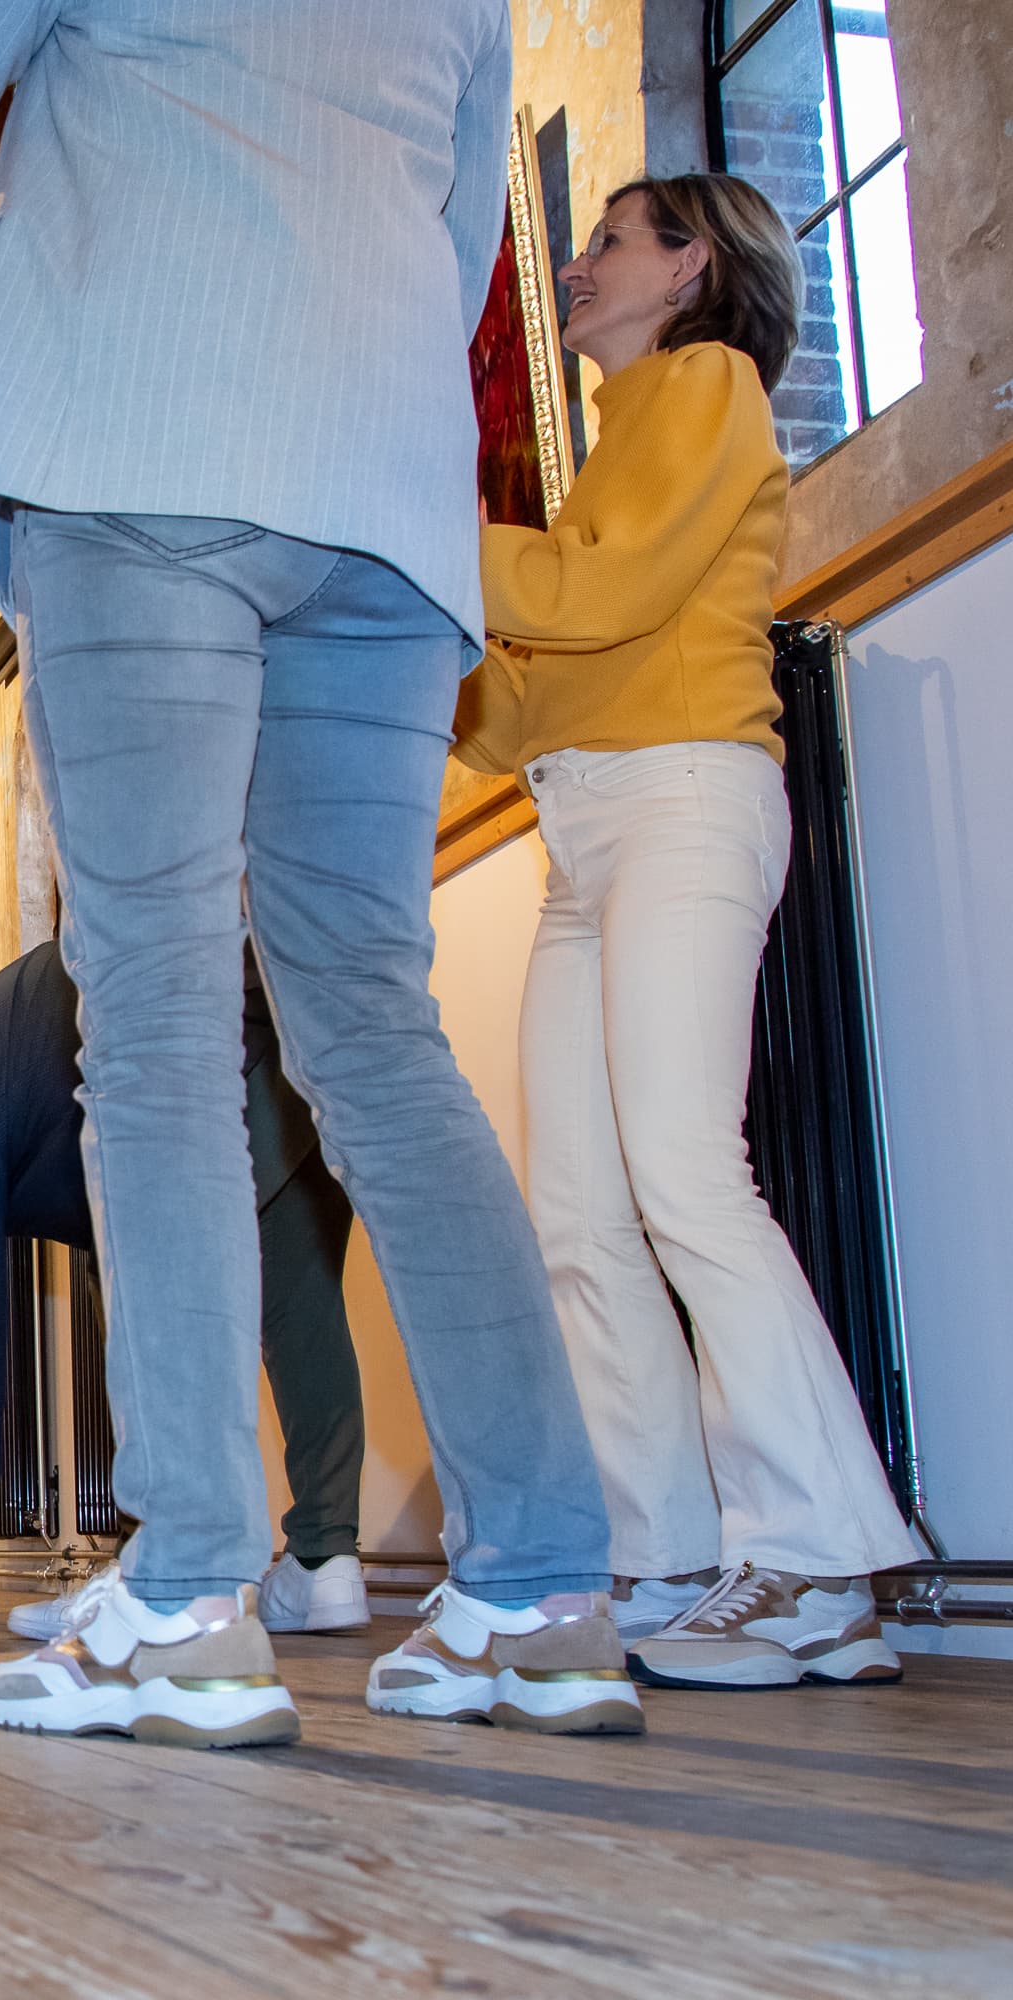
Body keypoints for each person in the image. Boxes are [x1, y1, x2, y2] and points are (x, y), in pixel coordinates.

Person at [0, 0, 636, 1746]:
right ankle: (546, 1586)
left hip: (151, 455)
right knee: (376, 1039)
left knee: (163, 1028)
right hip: (388, 508)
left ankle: (190, 1586)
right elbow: (465, 252)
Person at [456, 174, 915, 1692]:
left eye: (606, 241)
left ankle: (816, 1559)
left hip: (687, 799)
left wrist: (435, 533)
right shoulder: (609, 454)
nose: (579, 266)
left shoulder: (707, 385)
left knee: (682, 1175)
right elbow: (521, 705)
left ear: (690, 265)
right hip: (585, 828)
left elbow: (611, 596)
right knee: (581, 1210)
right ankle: (664, 1550)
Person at [0, 943, 372, 1639]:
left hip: (197, 1087)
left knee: (146, 1325)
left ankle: (153, 1578)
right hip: (289, 1042)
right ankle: (323, 1560)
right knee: (302, 1316)